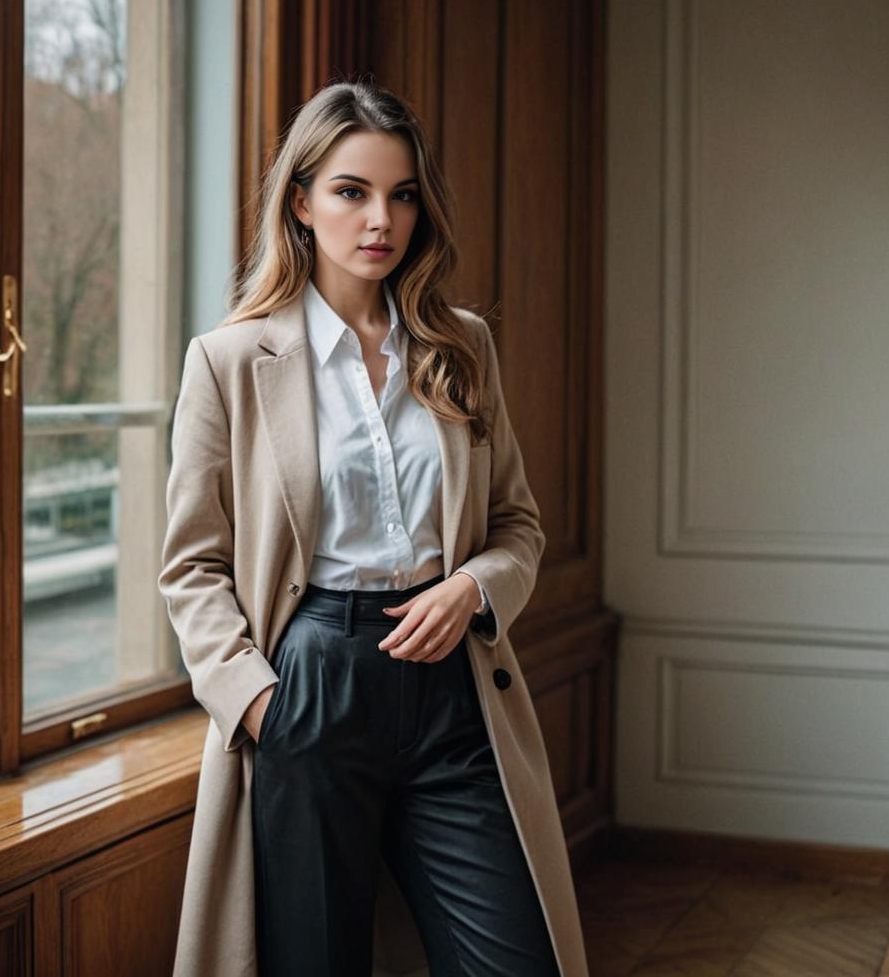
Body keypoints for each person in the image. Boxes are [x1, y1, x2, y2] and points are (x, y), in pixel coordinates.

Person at [159, 79, 590, 977]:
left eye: (400, 195)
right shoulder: (231, 360)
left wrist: (474, 587)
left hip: (453, 688)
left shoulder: (461, 347)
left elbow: (517, 525)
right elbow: (191, 566)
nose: (378, 219)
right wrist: (259, 703)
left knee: (519, 959)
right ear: (303, 202)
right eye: (352, 191)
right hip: (311, 683)